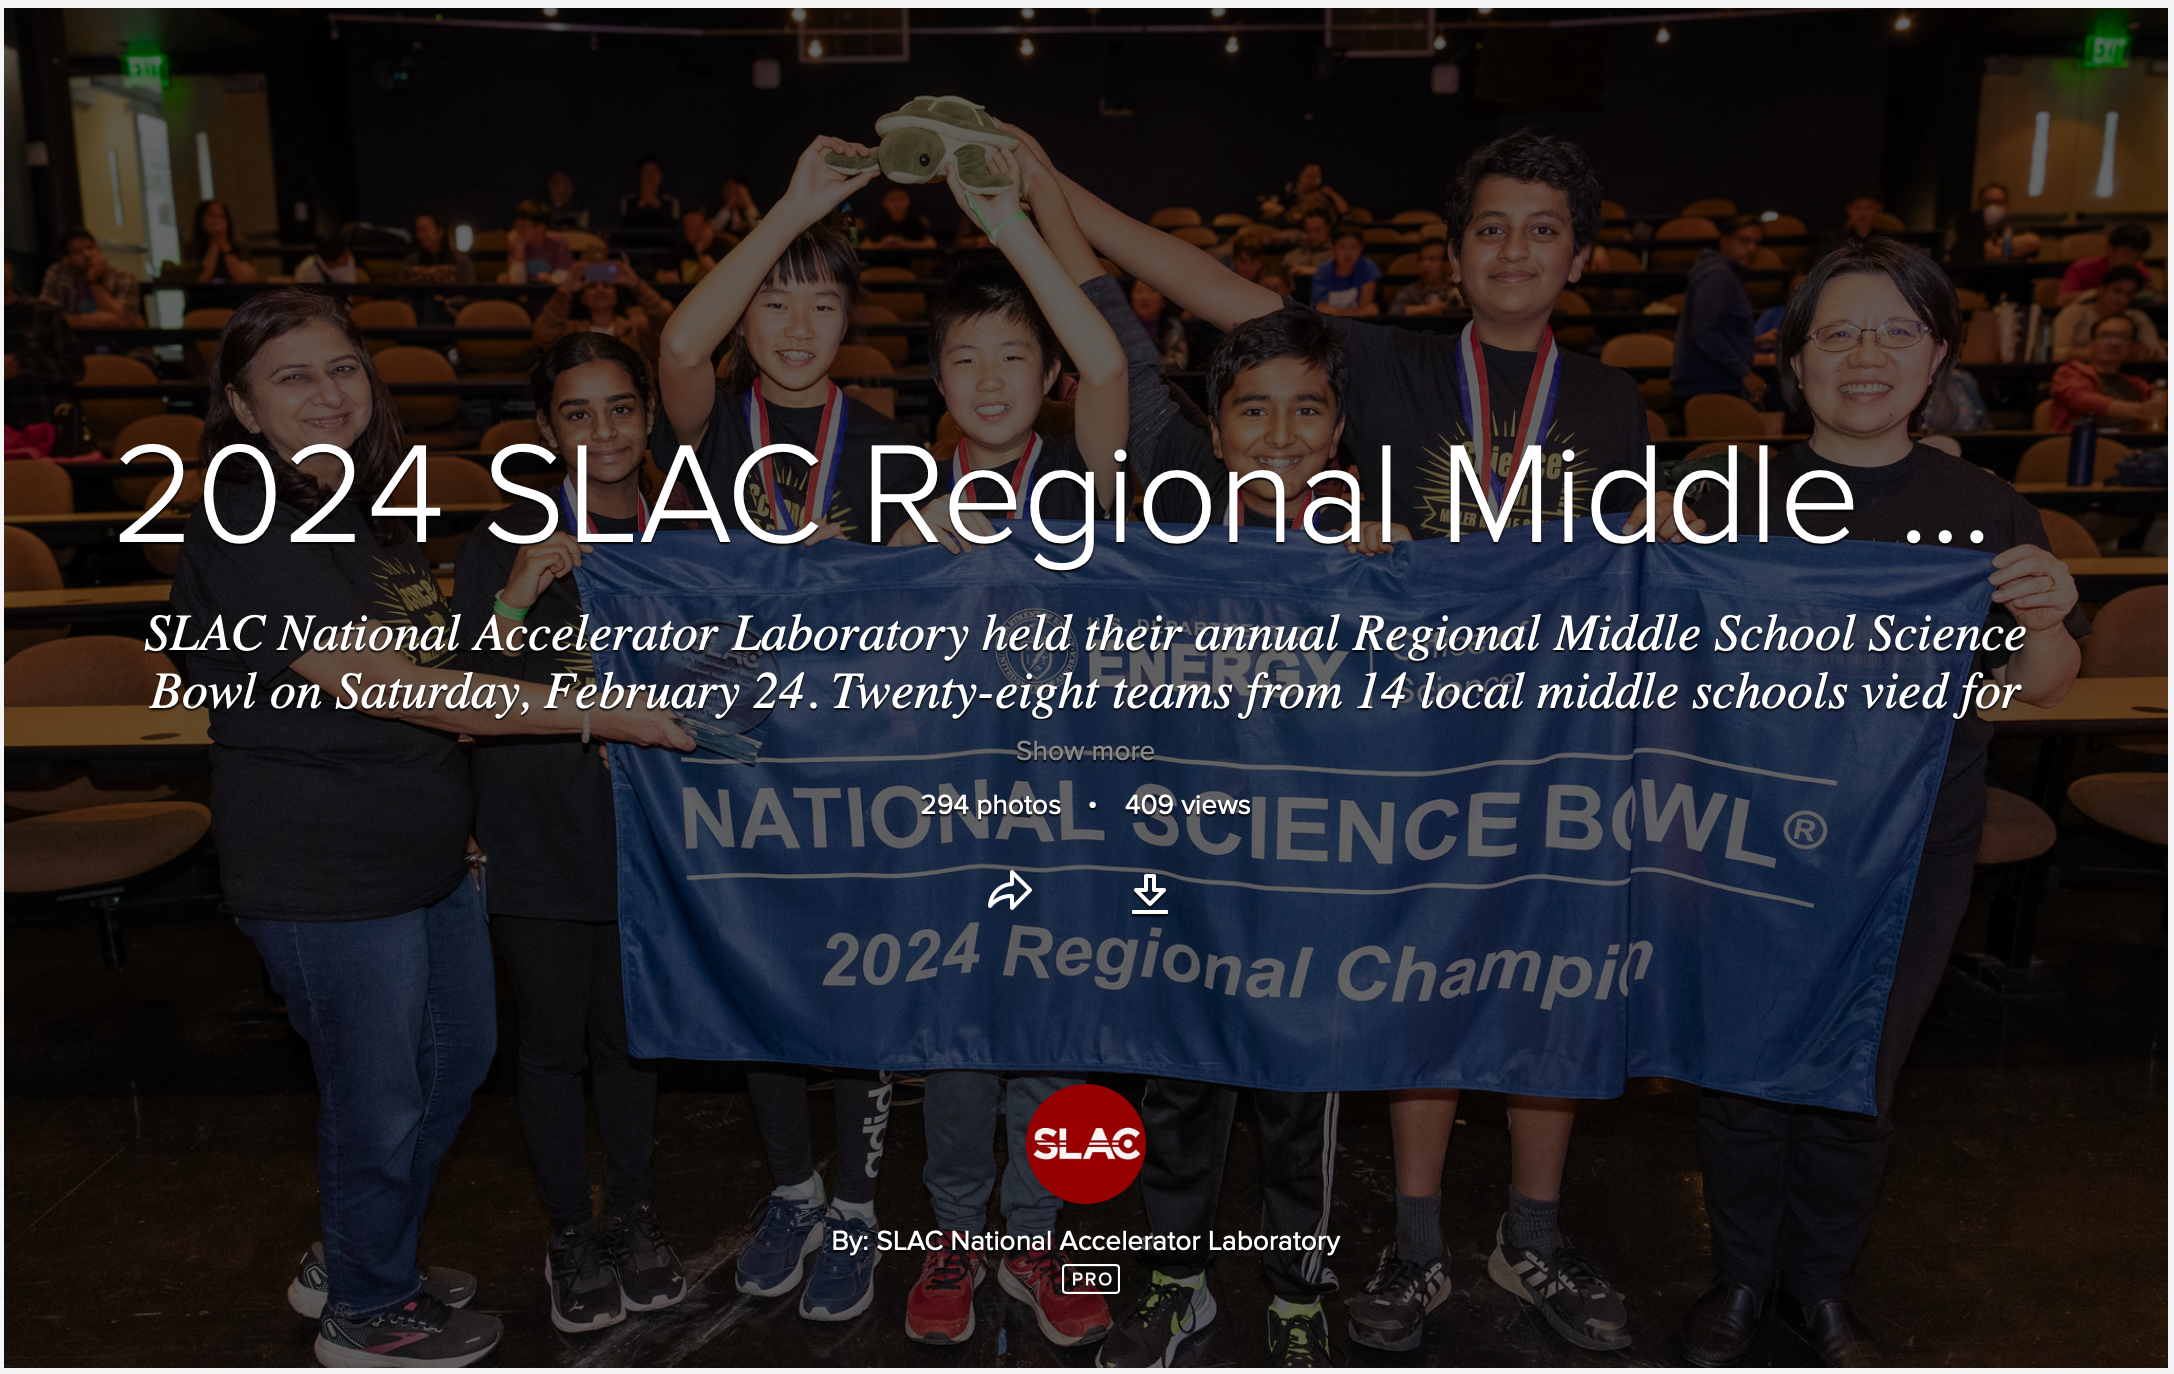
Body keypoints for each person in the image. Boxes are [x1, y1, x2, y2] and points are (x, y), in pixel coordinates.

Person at [1020, 123, 1653, 1359]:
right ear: (1454, 252)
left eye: (1541, 229)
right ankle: (1411, 1241)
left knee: (1538, 983)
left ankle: (1529, 1230)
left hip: (1533, 738)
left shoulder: (1615, 402)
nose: (1514, 250)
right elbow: (1193, 300)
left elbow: (1623, 568)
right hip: (1384, 750)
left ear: (1577, 255)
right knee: (1401, 994)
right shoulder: (1389, 368)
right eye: (1489, 226)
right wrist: (1047, 188)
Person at [168, 288, 689, 1368]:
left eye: (343, 368)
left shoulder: (355, 503)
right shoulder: (244, 506)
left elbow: (445, 658)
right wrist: (600, 709)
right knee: (378, 1095)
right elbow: (398, 688)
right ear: (239, 403)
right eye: (293, 376)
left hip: (426, 851)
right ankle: (366, 1313)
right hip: (326, 865)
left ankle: (356, 1255)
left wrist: (505, 607)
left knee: (455, 1062)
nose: (328, 392)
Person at [1676, 234, 2085, 1369]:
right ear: (1792, 358)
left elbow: (2031, 683)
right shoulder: (1721, 495)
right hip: (1743, 844)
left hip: (1910, 851)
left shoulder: (1985, 507)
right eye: (1836, 332)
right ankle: (1736, 1281)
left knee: (1858, 1079)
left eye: (1895, 330)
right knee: (1741, 1072)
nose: (1865, 355)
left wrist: (2046, 619)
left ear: (1937, 355)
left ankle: (1818, 1292)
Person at [655, 137, 912, 1324]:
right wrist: (789, 214)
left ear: (850, 317)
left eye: (820, 302)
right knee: (756, 969)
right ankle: (795, 1187)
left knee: (851, 984)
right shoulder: (708, 425)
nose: (796, 325)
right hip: (732, 755)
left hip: (849, 759)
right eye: (773, 299)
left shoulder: (894, 448)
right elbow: (673, 344)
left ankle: (859, 1201)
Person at [879, 148, 1125, 1351]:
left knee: (1054, 1034)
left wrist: (1005, 220)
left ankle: (1040, 1230)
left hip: (1070, 815)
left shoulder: (1091, 486)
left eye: (1013, 355)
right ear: (934, 376)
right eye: (964, 356)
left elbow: (1112, 360)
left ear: (1048, 376)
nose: (988, 378)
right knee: (958, 1044)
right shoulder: (893, 510)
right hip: (944, 827)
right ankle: (957, 1227)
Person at [452, 332, 690, 1335]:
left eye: (622, 408)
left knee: (631, 1043)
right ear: (546, 429)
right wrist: (515, 597)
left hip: (655, 840)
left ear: (647, 416)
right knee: (550, 1048)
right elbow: (460, 697)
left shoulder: (690, 536)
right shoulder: (498, 542)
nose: (605, 432)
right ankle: (567, 1230)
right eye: (578, 413)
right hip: (536, 832)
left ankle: (631, 1216)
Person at [1671, 216, 1768, 404]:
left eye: (1757, 243)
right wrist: (1744, 374)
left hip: (1709, 383)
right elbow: (1704, 333)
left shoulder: (1721, 273)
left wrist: (1753, 343)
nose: (1752, 249)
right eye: (1744, 241)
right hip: (1708, 385)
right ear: (1724, 240)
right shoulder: (1718, 275)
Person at [533, 253, 676, 370]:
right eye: (592, 286)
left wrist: (636, 284)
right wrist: (565, 290)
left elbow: (667, 320)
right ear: (582, 298)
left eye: (607, 285)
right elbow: (543, 335)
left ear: (617, 296)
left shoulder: (636, 328)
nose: (600, 289)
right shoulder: (571, 331)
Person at [2049, 313, 2169, 432]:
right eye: (2105, 336)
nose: (2114, 343)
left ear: (2132, 346)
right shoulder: (2069, 373)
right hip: (2084, 444)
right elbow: (2080, 399)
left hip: (2136, 446)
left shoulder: (2137, 384)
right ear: (2091, 342)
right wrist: (2136, 410)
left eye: (2122, 337)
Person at [6, 261, 85, 426]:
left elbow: (74, 368)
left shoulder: (44, 313)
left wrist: (20, 368)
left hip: (40, 425)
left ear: (8, 269)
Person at [2050, 265, 2165, 363]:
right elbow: (2053, 354)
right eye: (2117, 291)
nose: (2121, 299)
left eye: (2128, 294)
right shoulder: (2074, 313)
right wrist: (2099, 354)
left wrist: (2145, 354)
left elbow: (2160, 355)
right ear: (2101, 289)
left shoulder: (2137, 317)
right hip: (2077, 377)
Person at [39, 224, 144, 328]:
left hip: (116, 343)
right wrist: (88, 321)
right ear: (66, 259)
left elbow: (124, 321)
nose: (87, 254)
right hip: (75, 342)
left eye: (90, 248)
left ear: (98, 249)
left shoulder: (124, 278)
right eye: (78, 251)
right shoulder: (57, 274)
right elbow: (46, 318)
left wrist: (94, 281)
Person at [2057, 222, 2153, 307]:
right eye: (2127, 254)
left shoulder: (2140, 270)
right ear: (2110, 249)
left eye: (2136, 258)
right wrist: (2099, 293)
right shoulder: (2081, 268)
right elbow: (2062, 301)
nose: (2130, 262)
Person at [1944, 183, 2039, 264]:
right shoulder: (1966, 230)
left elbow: (2033, 243)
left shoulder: (2015, 227)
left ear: (2007, 206)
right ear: (1979, 206)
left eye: (1998, 202)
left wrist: (1995, 243)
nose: (1993, 207)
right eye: (1988, 203)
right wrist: (2013, 248)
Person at [1307, 223, 1381, 316]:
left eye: (1354, 247)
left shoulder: (1367, 267)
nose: (1348, 254)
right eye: (1342, 247)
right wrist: (1357, 312)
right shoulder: (1323, 270)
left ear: (1361, 248)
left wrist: (1334, 312)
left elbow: (1364, 312)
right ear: (1332, 248)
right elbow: (1321, 310)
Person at [1385, 238, 1462, 316]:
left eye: (1433, 259)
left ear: (1447, 262)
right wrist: (1426, 309)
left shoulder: (1459, 289)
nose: (1426, 264)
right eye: (1422, 259)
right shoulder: (1411, 290)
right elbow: (1394, 311)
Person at [189, 198, 258, 283]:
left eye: (222, 217)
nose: (217, 221)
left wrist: (224, 244)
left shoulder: (239, 244)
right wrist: (215, 244)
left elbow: (244, 278)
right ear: (201, 219)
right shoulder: (193, 245)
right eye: (212, 216)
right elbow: (201, 279)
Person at [505, 201, 574, 285]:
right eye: (517, 226)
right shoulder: (516, 242)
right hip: (525, 295)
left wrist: (551, 279)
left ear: (541, 228)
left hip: (551, 293)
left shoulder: (558, 242)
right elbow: (517, 283)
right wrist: (519, 253)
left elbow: (564, 274)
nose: (519, 230)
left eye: (525, 227)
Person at [1260, 161, 1348, 226]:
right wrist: (1286, 213)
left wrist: (1332, 194)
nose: (1311, 181)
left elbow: (1345, 212)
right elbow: (1265, 204)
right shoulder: (1288, 189)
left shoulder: (1320, 196)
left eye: (1316, 179)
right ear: (1300, 175)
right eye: (1309, 176)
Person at [1128, 278, 1188, 371]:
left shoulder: (1174, 328)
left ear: (1164, 301)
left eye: (1152, 291)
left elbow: (1179, 365)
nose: (1145, 297)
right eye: (1139, 291)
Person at [1811, 189, 1886, 264]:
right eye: (1858, 208)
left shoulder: (1885, 240)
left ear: (1879, 208)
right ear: (1849, 209)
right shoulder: (1834, 240)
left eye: (1869, 208)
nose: (1863, 213)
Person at [401, 213, 477, 285]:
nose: (420, 236)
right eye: (418, 230)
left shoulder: (462, 262)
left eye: (425, 230)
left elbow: (469, 294)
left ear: (440, 231)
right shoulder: (410, 262)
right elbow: (402, 294)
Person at [657, 207, 723, 285]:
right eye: (689, 228)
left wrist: (701, 252)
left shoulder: (725, 246)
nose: (694, 233)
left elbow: (721, 280)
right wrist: (662, 276)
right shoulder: (681, 247)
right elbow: (657, 269)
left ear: (708, 225)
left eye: (698, 228)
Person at [617, 155, 681, 232]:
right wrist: (641, 203)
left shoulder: (671, 201)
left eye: (654, 171)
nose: (650, 175)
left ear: (660, 176)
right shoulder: (628, 201)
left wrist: (656, 204)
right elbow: (625, 229)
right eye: (646, 171)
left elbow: (674, 230)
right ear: (640, 175)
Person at [868, 187, 938, 249]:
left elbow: (931, 244)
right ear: (884, 202)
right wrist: (883, 244)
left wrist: (904, 244)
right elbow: (864, 245)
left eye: (901, 199)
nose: (897, 204)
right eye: (892, 200)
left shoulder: (914, 220)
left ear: (908, 201)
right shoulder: (879, 221)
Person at [294, 226, 367, 285]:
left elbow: (349, 290)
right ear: (329, 263)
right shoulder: (306, 269)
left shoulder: (349, 259)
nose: (349, 255)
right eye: (344, 255)